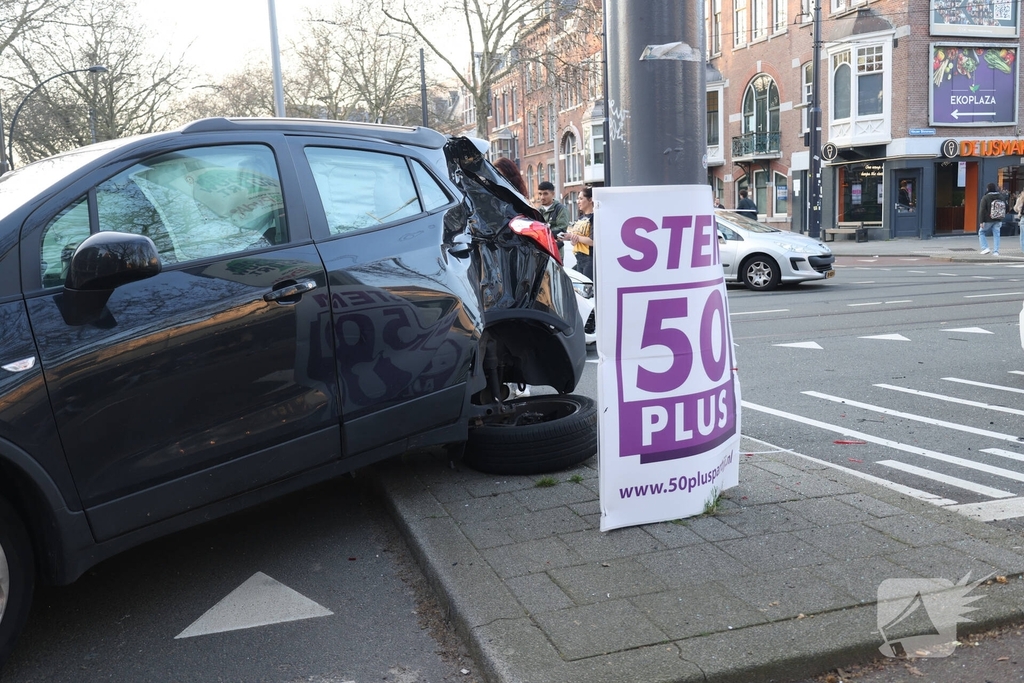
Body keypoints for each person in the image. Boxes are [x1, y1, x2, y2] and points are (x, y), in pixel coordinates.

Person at [565, 186, 595, 280]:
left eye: (581, 198)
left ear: (590, 200)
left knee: (587, 289)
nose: (578, 201)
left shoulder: (594, 217)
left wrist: (573, 236)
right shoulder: (580, 218)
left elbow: (593, 241)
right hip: (579, 258)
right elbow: (575, 240)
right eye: (578, 198)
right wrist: (573, 240)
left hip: (589, 258)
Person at [536, 181, 569, 256]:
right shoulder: (537, 210)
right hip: (541, 251)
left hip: (555, 252)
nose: (542, 197)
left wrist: (543, 231)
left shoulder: (560, 209)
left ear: (553, 194)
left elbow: (562, 229)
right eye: (540, 194)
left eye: (545, 194)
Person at [977, 182, 1007, 255]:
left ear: (988, 189)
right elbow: (1006, 207)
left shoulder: (986, 197)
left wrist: (981, 221)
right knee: (997, 235)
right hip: (998, 219)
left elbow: (982, 210)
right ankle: (996, 251)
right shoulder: (1001, 196)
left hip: (988, 219)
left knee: (981, 232)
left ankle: (985, 248)